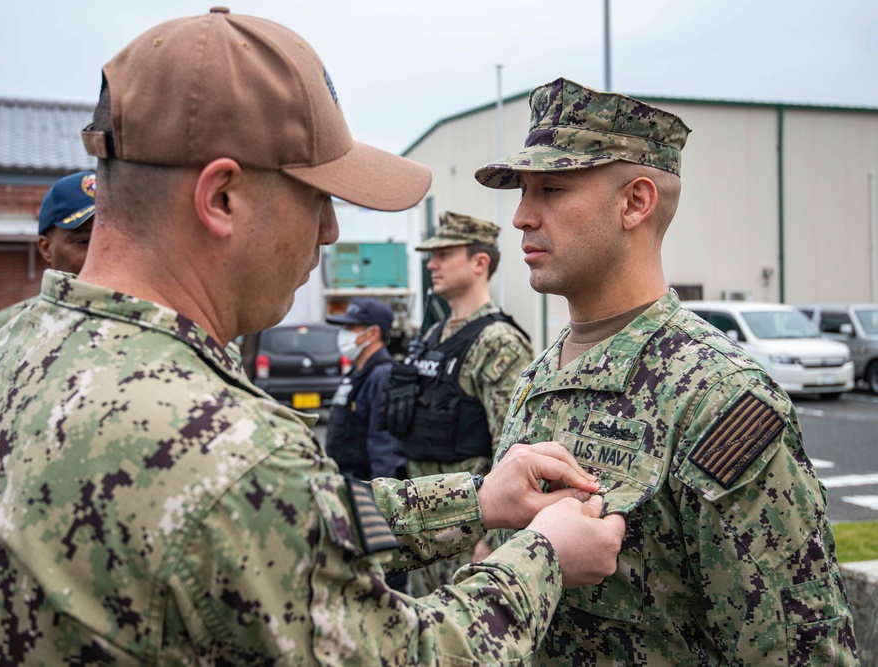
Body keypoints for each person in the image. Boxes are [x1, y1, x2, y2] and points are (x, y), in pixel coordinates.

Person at [0, 12, 625, 665]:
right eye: (315, 198)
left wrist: (476, 498)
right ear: (221, 197)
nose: (330, 231)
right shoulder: (230, 449)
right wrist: (541, 557)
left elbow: (277, 524)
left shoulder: (2, 344)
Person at [476, 77, 859, 664]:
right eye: (523, 193)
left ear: (636, 202)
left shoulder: (719, 398)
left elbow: (792, 648)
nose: (522, 218)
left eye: (550, 189)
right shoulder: (538, 376)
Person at [382, 211, 534, 597]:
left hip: (469, 535)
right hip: (424, 526)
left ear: (479, 262)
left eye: (444, 254)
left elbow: (514, 448)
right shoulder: (432, 334)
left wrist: (496, 542)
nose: (431, 264)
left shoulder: (497, 342)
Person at [0, 170, 95, 366]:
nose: (103, 252)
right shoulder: (2, 331)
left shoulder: (149, 319)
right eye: (84, 241)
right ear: (46, 248)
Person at [325, 297, 403, 480]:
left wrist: (380, 499)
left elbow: (384, 445)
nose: (344, 334)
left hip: (364, 485)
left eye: (351, 328)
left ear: (373, 333)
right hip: (346, 479)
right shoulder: (357, 371)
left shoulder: (383, 375)